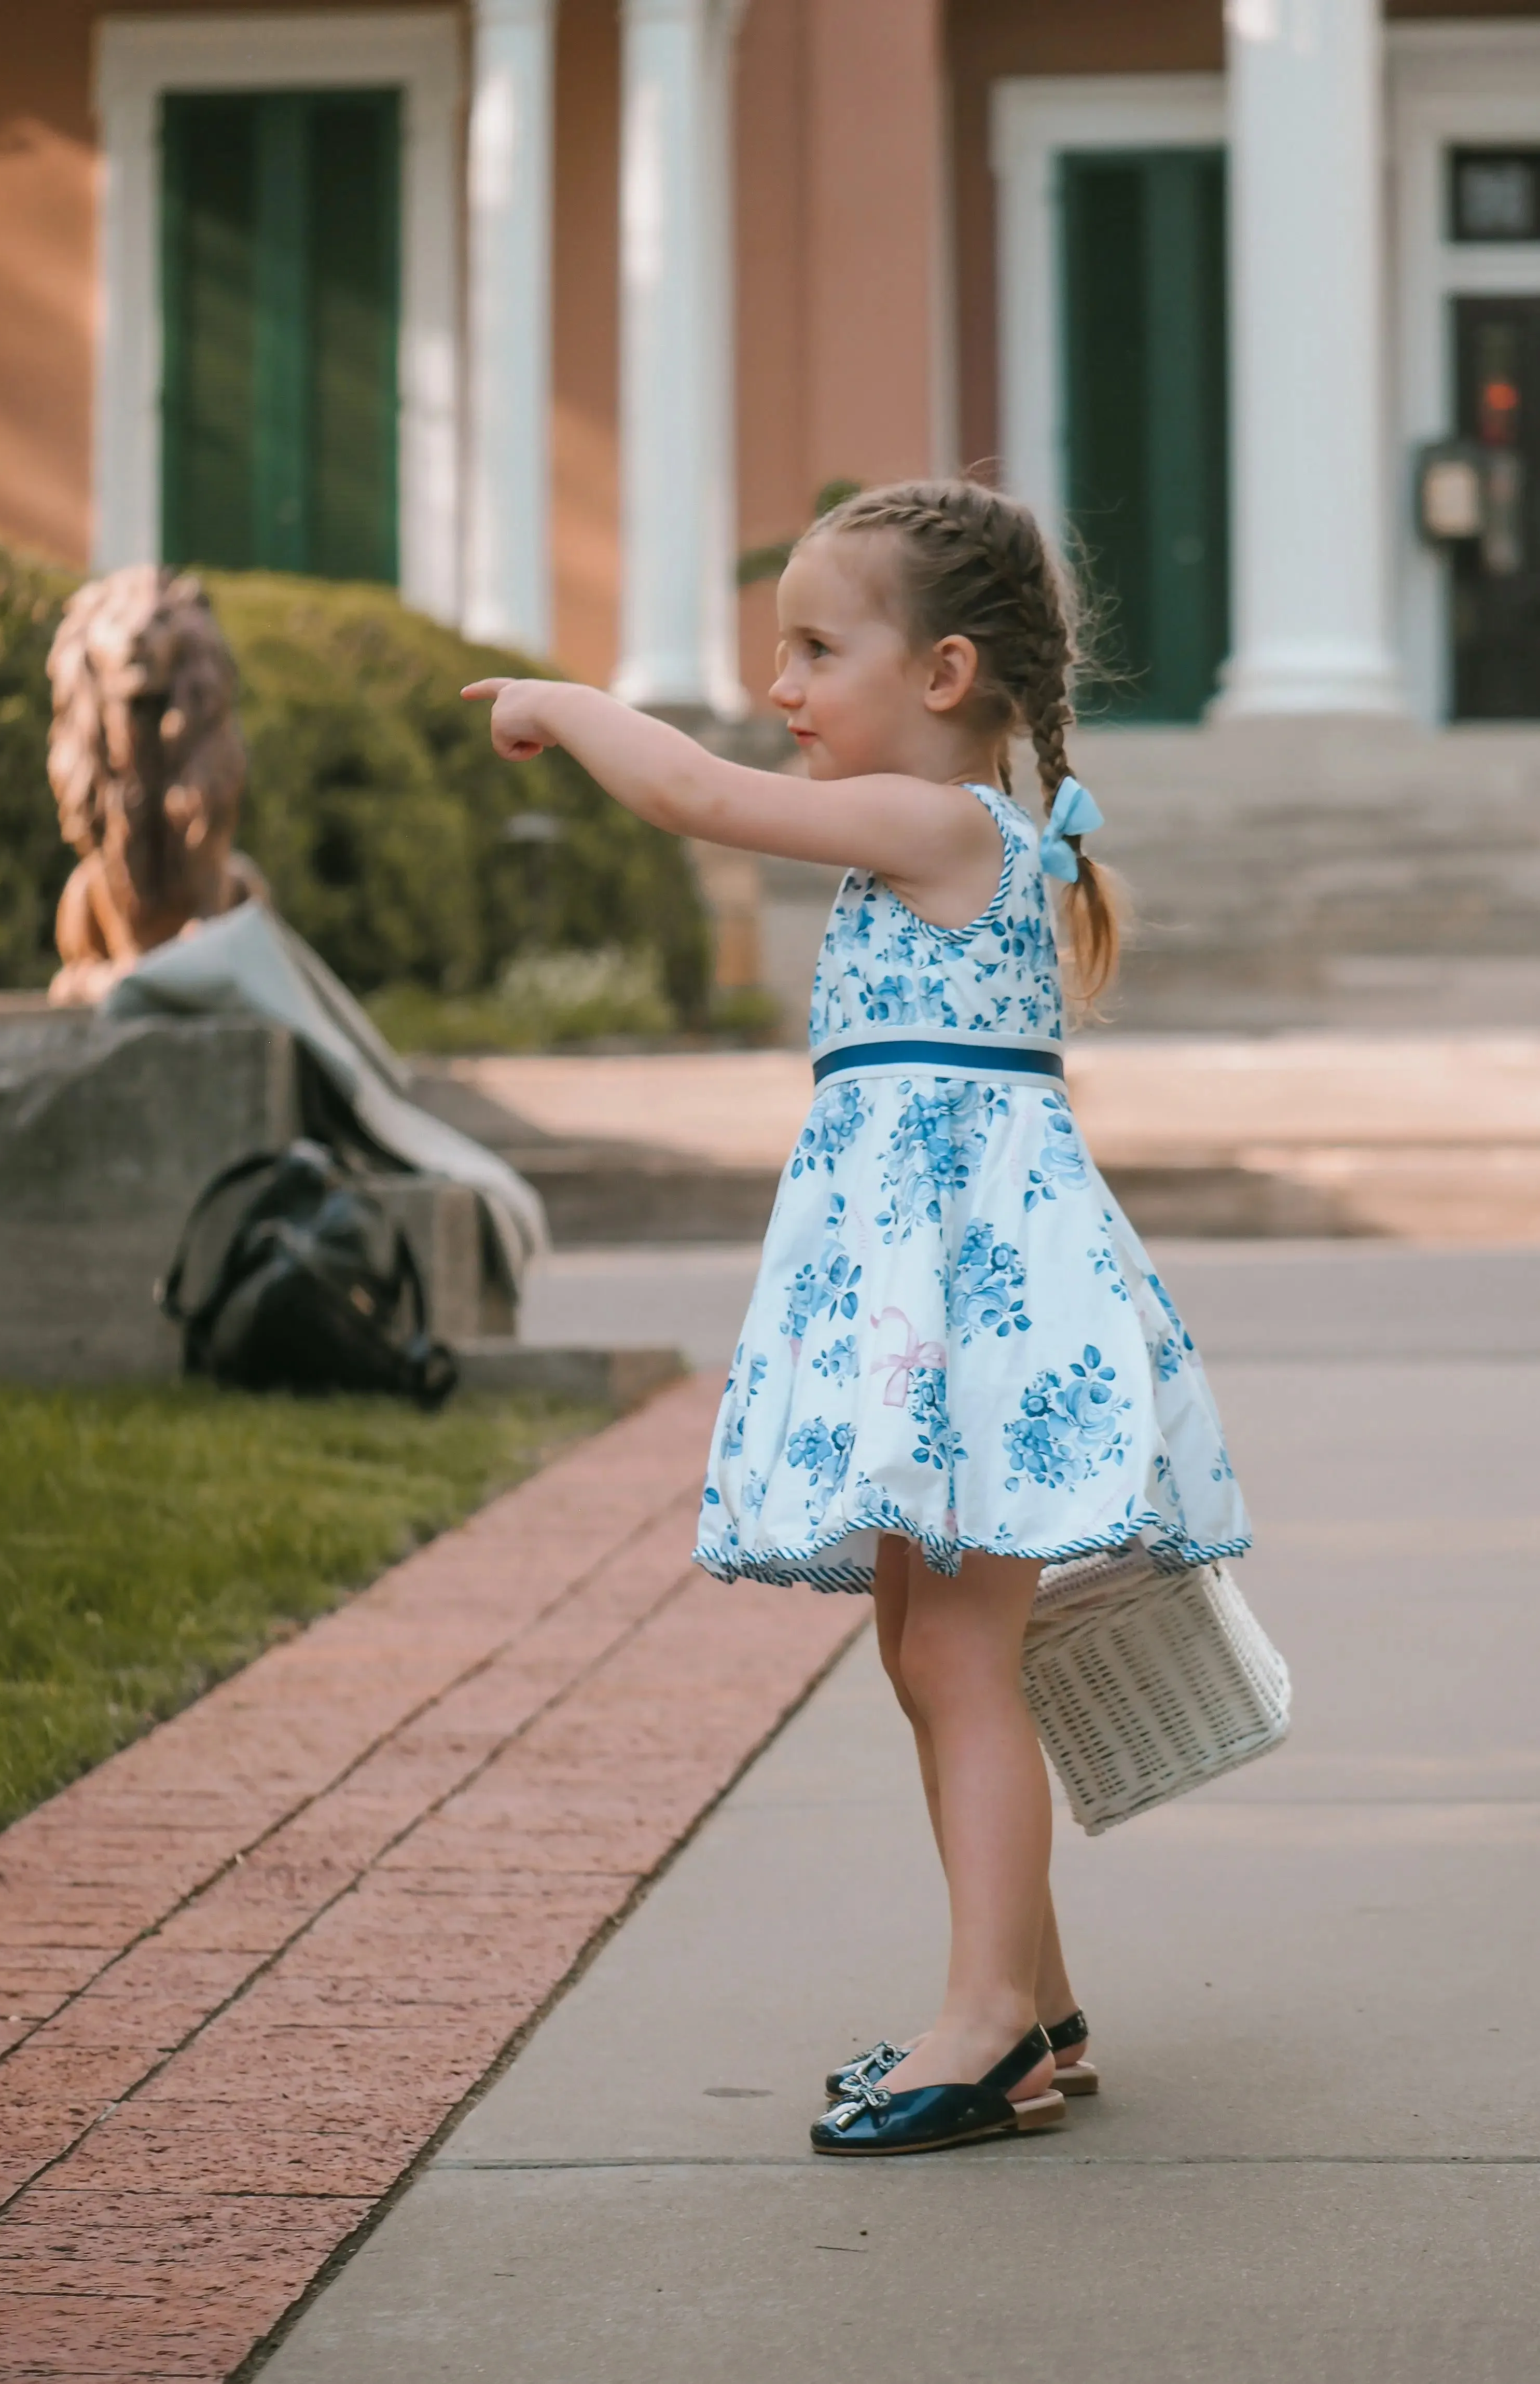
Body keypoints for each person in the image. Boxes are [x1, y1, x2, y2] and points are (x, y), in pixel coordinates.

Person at [465, 477, 1250, 2156]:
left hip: (969, 1316)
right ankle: (1026, 2002)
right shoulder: (937, 828)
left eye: (818, 649)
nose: (785, 686)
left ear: (948, 672)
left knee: (960, 1652)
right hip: (928, 1315)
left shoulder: (944, 824)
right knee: (928, 1649)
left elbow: (695, 793)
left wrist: (570, 706)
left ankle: (983, 2030)